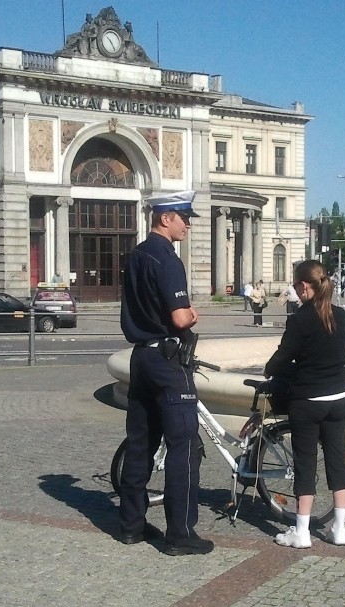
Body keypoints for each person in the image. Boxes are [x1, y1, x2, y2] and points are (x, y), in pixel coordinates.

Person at [117, 190, 214, 556]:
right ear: (164, 218)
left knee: (140, 444)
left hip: (140, 358)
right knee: (184, 446)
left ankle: (131, 525)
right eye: (183, 217)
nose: (188, 224)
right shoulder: (168, 259)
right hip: (168, 361)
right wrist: (191, 313)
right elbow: (178, 317)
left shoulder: (137, 255)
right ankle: (180, 533)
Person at [263, 260, 345, 548]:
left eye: (296, 286)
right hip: (339, 399)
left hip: (309, 401)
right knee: (337, 461)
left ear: (304, 286)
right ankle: (339, 529)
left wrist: (269, 369)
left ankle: (301, 532)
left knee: (305, 462)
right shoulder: (341, 315)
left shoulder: (300, 319)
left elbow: (284, 355)